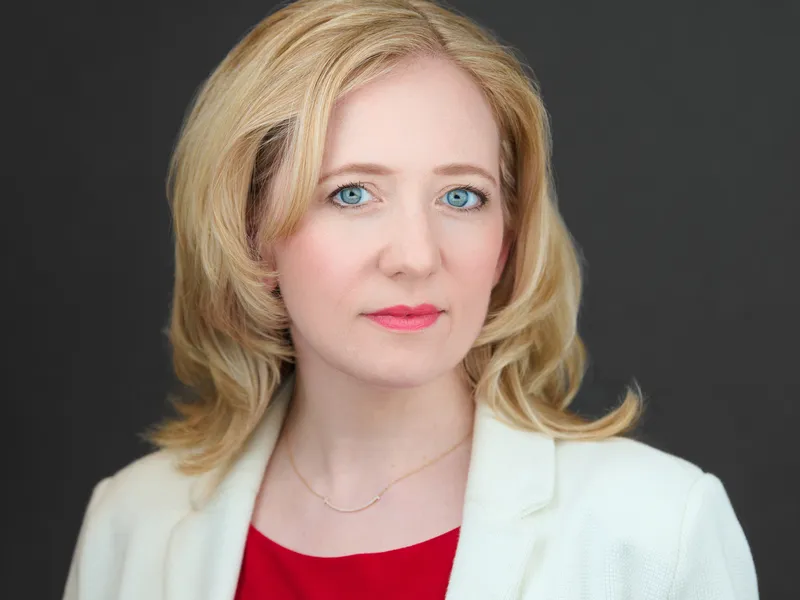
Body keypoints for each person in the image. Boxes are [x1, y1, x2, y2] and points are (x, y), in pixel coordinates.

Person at [63, 0, 758, 598]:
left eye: (462, 197)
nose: (418, 257)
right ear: (251, 237)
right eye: (352, 194)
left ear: (507, 241)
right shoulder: (131, 523)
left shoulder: (657, 529)